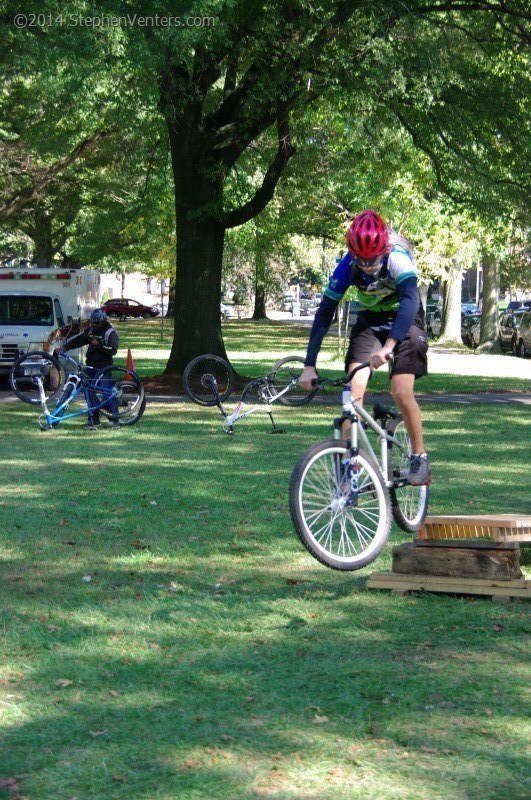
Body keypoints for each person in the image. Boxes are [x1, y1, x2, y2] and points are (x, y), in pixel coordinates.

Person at [299, 209, 431, 485]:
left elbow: (410, 302)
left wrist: (390, 346)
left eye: (372, 259)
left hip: (406, 320)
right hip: (370, 321)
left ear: (383, 249)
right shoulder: (347, 266)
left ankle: (419, 456)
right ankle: (350, 465)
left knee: (400, 390)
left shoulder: (398, 258)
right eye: (361, 259)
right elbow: (325, 312)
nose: (368, 265)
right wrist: (309, 364)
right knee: (352, 391)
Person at [56, 308, 120, 429]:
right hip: (90, 365)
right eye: (92, 322)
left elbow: (113, 350)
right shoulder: (90, 330)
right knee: (87, 391)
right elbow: (80, 339)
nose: (94, 325)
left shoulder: (110, 332)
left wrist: (99, 344)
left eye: (97, 323)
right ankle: (93, 419)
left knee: (106, 391)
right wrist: (65, 347)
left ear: (102, 321)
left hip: (104, 367)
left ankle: (115, 420)